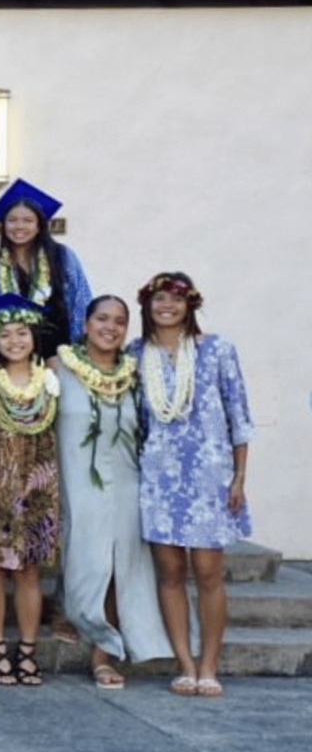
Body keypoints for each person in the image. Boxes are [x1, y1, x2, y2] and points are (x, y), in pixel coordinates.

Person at [133, 272, 254, 698]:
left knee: (207, 572)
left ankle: (209, 665)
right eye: (159, 299)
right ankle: (184, 663)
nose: (167, 306)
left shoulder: (216, 349)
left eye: (176, 299)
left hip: (208, 476)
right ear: (147, 305)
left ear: (190, 305)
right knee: (170, 573)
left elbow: (238, 416)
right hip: (158, 478)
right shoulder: (136, 355)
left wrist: (239, 476)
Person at [51, 295, 171, 690]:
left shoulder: (134, 374)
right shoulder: (57, 367)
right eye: (102, 319)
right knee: (84, 555)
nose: (110, 327)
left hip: (126, 479)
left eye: (119, 321)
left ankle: (103, 654)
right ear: (86, 324)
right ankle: (70, 609)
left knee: (121, 564)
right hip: (76, 477)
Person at [0, 292, 61, 688]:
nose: (14, 341)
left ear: (33, 336)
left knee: (29, 572)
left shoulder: (50, 381)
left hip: (39, 486)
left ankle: (26, 649)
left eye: (21, 332)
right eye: (5, 334)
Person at [0, 180, 92, 356]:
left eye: (28, 220)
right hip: (13, 356)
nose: (19, 226)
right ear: (4, 225)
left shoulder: (62, 256)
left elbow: (80, 304)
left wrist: (79, 352)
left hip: (60, 355)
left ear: (39, 226)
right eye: (12, 220)